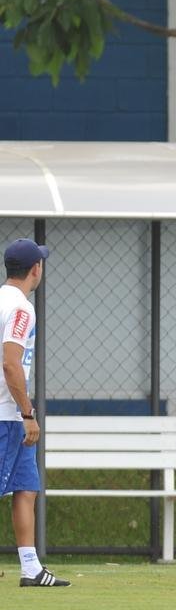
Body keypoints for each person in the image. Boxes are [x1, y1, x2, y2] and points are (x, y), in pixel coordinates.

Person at [1, 239, 68, 587]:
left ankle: (30, 567)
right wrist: (27, 412)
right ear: (35, 269)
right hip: (7, 413)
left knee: (26, 487)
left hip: (13, 413)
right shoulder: (20, 308)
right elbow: (11, 363)